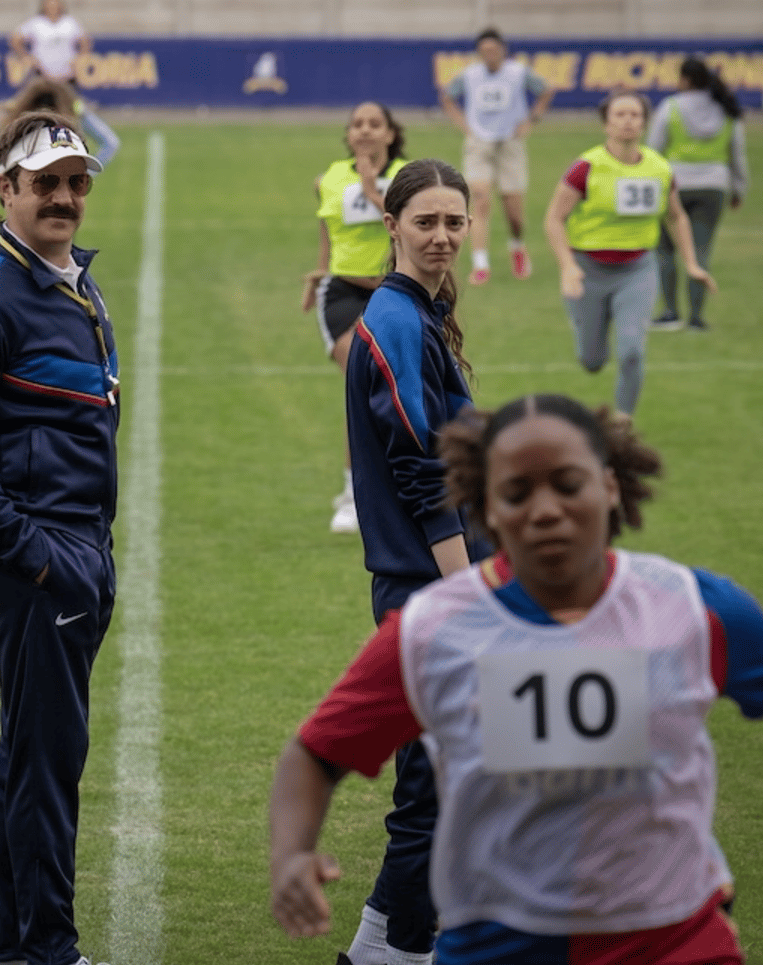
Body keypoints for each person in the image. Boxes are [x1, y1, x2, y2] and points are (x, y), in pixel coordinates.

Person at [271, 392, 763, 964]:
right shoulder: (431, 633)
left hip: (674, 941)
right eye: (516, 494)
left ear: (610, 486)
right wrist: (291, 855)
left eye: (568, 483)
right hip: (498, 946)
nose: (545, 510)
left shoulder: (693, 609)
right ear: (484, 513)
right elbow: (317, 751)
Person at [0, 110, 116, 965]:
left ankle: (16, 949)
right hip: (39, 561)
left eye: (76, 182)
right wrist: (39, 559)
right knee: (46, 769)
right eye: (45, 183)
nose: (64, 198)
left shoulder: (73, 279)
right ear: (5, 188)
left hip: (73, 549)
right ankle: (50, 950)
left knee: (27, 755)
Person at [336, 158, 492, 965]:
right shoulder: (395, 322)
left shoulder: (421, 315)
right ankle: (394, 950)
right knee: (435, 789)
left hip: (437, 586)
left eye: (453, 223)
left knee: (449, 782)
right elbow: (419, 467)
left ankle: (387, 946)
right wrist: (467, 589)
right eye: (425, 222)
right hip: (427, 592)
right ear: (391, 225)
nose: (440, 237)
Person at [543, 90, 715, 417]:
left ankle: (623, 423)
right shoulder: (586, 167)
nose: (628, 121)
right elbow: (554, 218)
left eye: (635, 115)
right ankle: (592, 330)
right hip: (587, 269)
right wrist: (567, 266)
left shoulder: (660, 168)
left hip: (637, 270)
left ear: (645, 123)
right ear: (606, 124)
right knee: (592, 361)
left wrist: (692, 264)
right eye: (620, 115)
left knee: (632, 350)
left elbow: (676, 216)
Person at [301, 101, 409, 535]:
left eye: (375, 124)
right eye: (357, 124)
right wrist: (319, 269)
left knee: (400, 392)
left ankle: (399, 484)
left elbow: (411, 229)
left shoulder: (410, 177)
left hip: (398, 291)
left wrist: (372, 190)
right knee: (363, 381)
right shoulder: (329, 178)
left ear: (389, 133)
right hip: (343, 293)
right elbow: (329, 229)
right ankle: (352, 495)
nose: (365, 131)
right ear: (348, 135)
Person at [439, 28, 553, 286]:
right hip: (479, 143)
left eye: (493, 49)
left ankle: (517, 246)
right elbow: (447, 97)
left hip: (510, 143)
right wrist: (464, 125)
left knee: (513, 207)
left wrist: (531, 121)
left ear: (503, 50)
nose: (489, 55)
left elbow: (545, 90)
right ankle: (481, 264)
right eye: (484, 51)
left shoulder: (518, 72)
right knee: (479, 200)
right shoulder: (470, 75)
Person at [648, 57, 747, 332]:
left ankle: (670, 312)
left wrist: (649, 183)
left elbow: (653, 149)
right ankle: (696, 318)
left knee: (665, 249)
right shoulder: (726, 109)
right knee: (700, 251)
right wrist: (739, 187)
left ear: (685, 80)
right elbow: (737, 153)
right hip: (714, 185)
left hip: (675, 183)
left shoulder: (671, 107)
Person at [0, 77, 120, 179]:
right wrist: (85, 175)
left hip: (25, 186)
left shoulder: (15, 112)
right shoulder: (73, 113)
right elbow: (111, 142)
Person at [10, 0, 91, 85]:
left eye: (55, 5)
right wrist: (25, 57)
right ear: (44, 6)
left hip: (68, 76)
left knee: (72, 99)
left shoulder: (70, 22)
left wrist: (81, 58)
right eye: (50, 5)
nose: (53, 8)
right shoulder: (36, 23)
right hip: (42, 75)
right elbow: (15, 39)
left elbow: (85, 41)